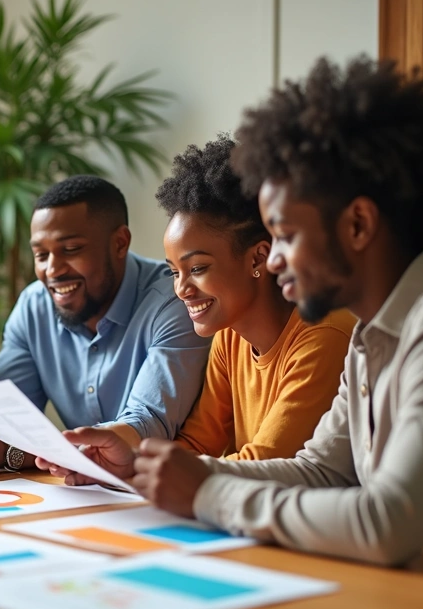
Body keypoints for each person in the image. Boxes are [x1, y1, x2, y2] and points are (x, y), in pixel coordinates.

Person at [46, 57, 423, 565]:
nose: (274, 259)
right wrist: (145, 469)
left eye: (286, 235)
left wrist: (206, 494)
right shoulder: (375, 332)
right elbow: (320, 470)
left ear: (359, 224)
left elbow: (388, 523)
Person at [40, 135, 352, 486]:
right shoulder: (229, 337)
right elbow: (195, 445)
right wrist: (126, 465)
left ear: (258, 258)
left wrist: (142, 469)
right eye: (175, 271)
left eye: (198, 268)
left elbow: (267, 464)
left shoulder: (324, 335)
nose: (181, 289)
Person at [0, 175, 211, 471]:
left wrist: (12, 451)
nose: (52, 270)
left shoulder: (175, 301)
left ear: (120, 243)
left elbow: (146, 426)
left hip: (168, 487)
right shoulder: (34, 305)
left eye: (70, 249)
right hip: (78, 490)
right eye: (41, 255)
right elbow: (2, 414)